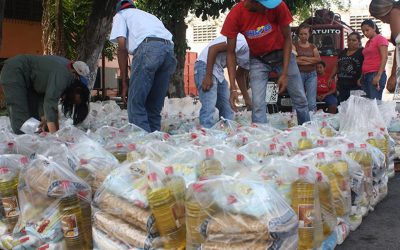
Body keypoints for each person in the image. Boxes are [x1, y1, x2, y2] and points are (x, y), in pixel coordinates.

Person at [221, 0, 310, 125]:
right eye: (265, 6)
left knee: (300, 98)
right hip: (258, 59)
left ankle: (306, 130)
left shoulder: (278, 5)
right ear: (254, 3)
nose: (268, 9)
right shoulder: (236, 14)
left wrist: (284, 73)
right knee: (257, 104)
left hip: (282, 54)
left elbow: (287, 39)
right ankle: (260, 137)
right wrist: (233, 88)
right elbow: (230, 53)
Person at [110, 0, 177, 132]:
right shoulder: (148, 16)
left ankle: (144, 144)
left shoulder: (121, 15)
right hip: (169, 50)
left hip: (148, 49)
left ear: (119, 9)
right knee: (154, 105)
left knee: (135, 104)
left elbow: (122, 47)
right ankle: (155, 144)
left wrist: (124, 82)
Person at [0, 55, 90, 134]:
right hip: (15, 71)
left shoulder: (66, 70)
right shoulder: (64, 75)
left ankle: (31, 142)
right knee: (21, 124)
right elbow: (50, 102)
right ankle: (21, 147)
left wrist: (44, 119)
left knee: (35, 122)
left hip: (29, 82)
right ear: (75, 74)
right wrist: (55, 137)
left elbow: (44, 95)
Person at [194, 34, 250, 128]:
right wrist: (208, 76)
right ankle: (206, 135)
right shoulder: (243, 43)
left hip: (218, 71)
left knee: (227, 106)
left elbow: (240, 75)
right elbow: (213, 49)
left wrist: (247, 98)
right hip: (205, 66)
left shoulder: (254, 57)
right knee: (209, 106)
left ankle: (227, 132)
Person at [369, 0, 400, 93]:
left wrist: (394, 76)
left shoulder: (394, 12)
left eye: (379, 17)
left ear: (383, 11)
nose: (382, 21)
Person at [328, 32, 364, 103]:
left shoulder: (362, 52)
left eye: (354, 40)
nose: (351, 42)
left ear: (359, 42)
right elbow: (337, 66)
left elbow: (366, 66)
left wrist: (361, 78)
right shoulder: (342, 52)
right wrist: (331, 77)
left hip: (355, 86)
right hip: (342, 85)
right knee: (342, 107)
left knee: (353, 107)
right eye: (349, 40)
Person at [293, 23, 321, 112]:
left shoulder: (313, 46)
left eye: (305, 34)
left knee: (311, 101)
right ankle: (295, 118)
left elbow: (318, 59)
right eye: (301, 34)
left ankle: (312, 120)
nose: (303, 36)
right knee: (298, 98)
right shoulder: (294, 45)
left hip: (312, 74)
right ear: (298, 35)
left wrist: (303, 58)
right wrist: (310, 60)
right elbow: (294, 61)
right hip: (298, 74)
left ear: (309, 34)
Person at [360, 19, 388, 100]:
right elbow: (366, 59)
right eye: (363, 31)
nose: (365, 33)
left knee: (374, 104)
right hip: (366, 75)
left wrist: (378, 76)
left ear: (374, 28)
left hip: (375, 74)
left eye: (367, 30)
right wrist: (362, 76)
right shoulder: (368, 42)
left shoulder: (380, 39)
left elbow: (384, 57)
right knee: (367, 105)